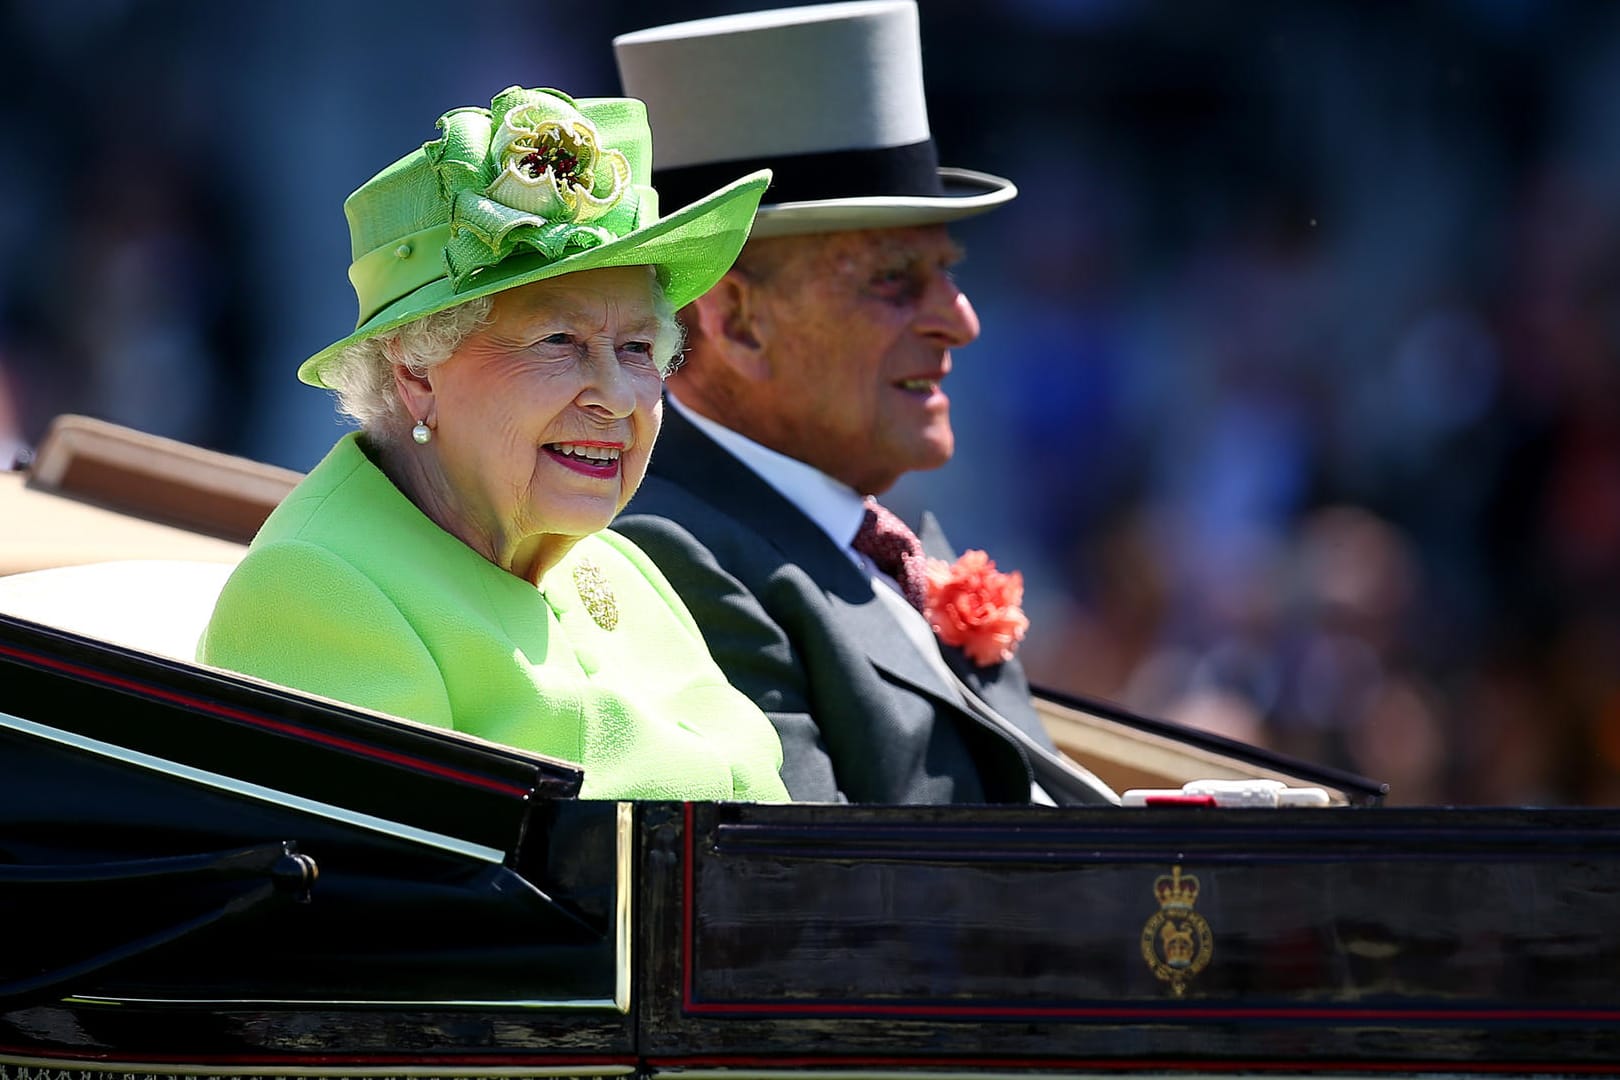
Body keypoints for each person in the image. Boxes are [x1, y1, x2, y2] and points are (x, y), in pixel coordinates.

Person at [198, 84, 788, 802]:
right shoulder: (314, 592)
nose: (618, 395)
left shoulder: (624, 570)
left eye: (637, 347)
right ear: (416, 371)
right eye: (560, 341)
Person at [612, 2, 1118, 805]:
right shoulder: (672, 555)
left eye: (949, 271)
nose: (960, 319)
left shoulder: (866, 538)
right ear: (739, 321)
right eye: (894, 279)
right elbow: (828, 906)